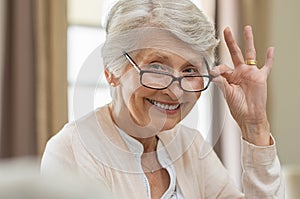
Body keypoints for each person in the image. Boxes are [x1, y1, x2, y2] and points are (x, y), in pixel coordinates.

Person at [41, 0, 285, 198]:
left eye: (190, 70)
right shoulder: (70, 151)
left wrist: (255, 127)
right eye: (157, 68)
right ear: (111, 71)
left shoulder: (190, 145)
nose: (176, 92)